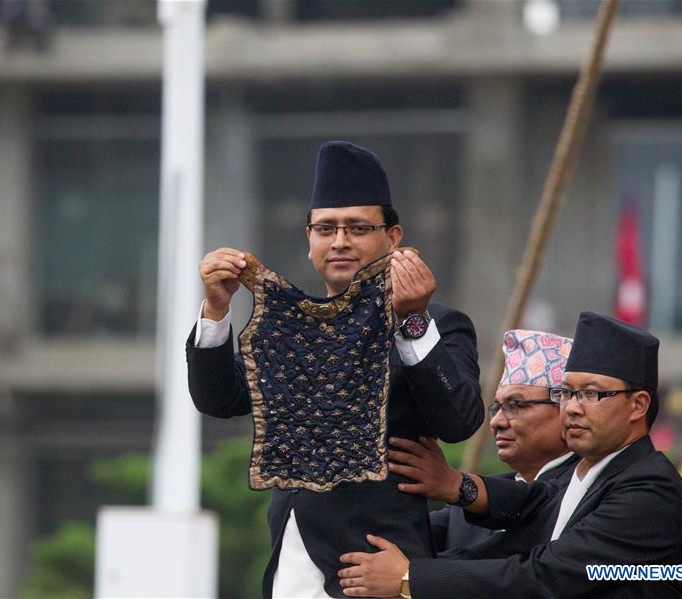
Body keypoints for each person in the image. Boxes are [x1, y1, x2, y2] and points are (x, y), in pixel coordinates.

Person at [186, 140, 483, 598]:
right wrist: (216, 308)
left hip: (376, 572)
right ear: (309, 240)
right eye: (326, 228)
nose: (340, 241)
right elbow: (219, 400)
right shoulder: (292, 327)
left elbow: (460, 420)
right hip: (290, 565)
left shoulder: (437, 323)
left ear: (393, 238)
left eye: (358, 228)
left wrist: (412, 321)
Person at [338, 311, 682, 598]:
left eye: (590, 394)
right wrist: (456, 487)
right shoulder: (584, 476)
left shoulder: (649, 489)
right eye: (567, 394)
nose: (570, 408)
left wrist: (409, 579)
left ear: (638, 405)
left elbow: (544, 576)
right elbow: (532, 499)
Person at [388, 329, 576, 553]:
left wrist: (458, 485)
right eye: (496, 408)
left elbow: (519, 572)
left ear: (567, 409)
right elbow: (396, 541)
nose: (496, 422)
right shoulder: (468, 505)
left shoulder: (585, 494)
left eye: (515, 405)